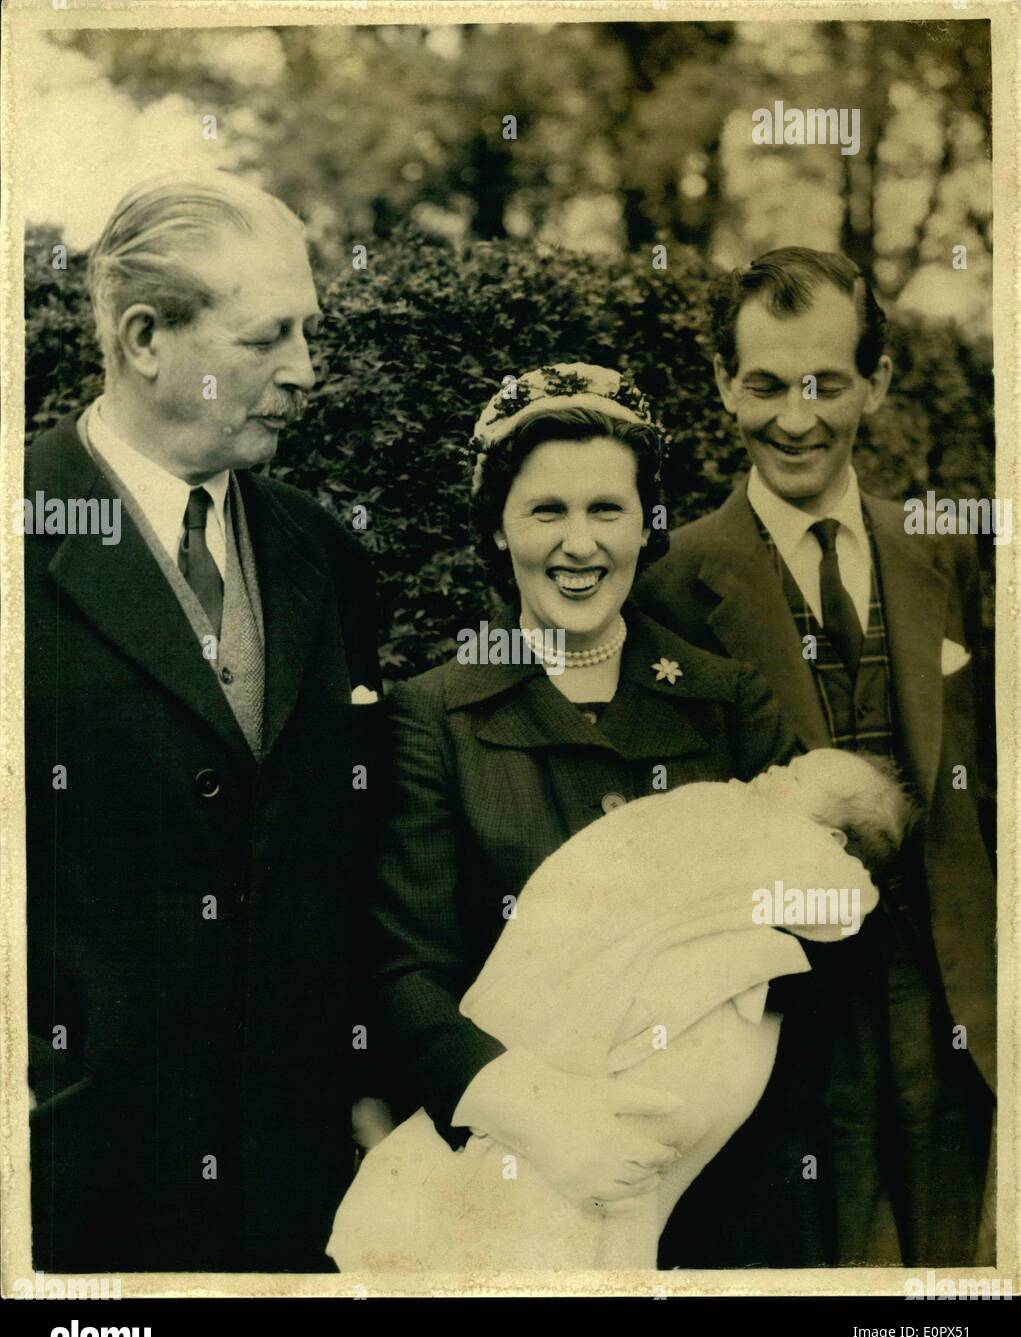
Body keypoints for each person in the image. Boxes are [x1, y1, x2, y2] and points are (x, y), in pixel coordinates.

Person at [356, 362, 799, 1267]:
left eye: (607, 509)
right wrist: (543, 1117)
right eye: (545, 511)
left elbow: (813, 930)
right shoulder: (435, 716)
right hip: (507, 1184)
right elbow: (406, 972)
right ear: (496, 528)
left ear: (647, 523)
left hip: (714, 1193)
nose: (579, 544)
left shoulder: (727, 704)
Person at [25, 171, 383, 1272]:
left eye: (308, 332)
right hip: (73, 1197)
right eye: (270, 335)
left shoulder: (327, 558)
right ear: (143, 338)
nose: (306, 371)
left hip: (299, 1198)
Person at [635, 247, 995, 1268]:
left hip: (949, 1013)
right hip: (781, 1026)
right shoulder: (673, 584)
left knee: (947, 1294)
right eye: (762, 385)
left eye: (824, 384)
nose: (793, 419)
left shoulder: (946, 553)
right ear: (721, 384)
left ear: (875, 383)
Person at [330, 750, 914, 1272]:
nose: (774, 769)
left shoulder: (799, 855)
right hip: (549, 1052)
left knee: (580, 1204)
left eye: (796, 775)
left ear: (832, 842)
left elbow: (828, 905)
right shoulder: (730, 814)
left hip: (652, 1076)